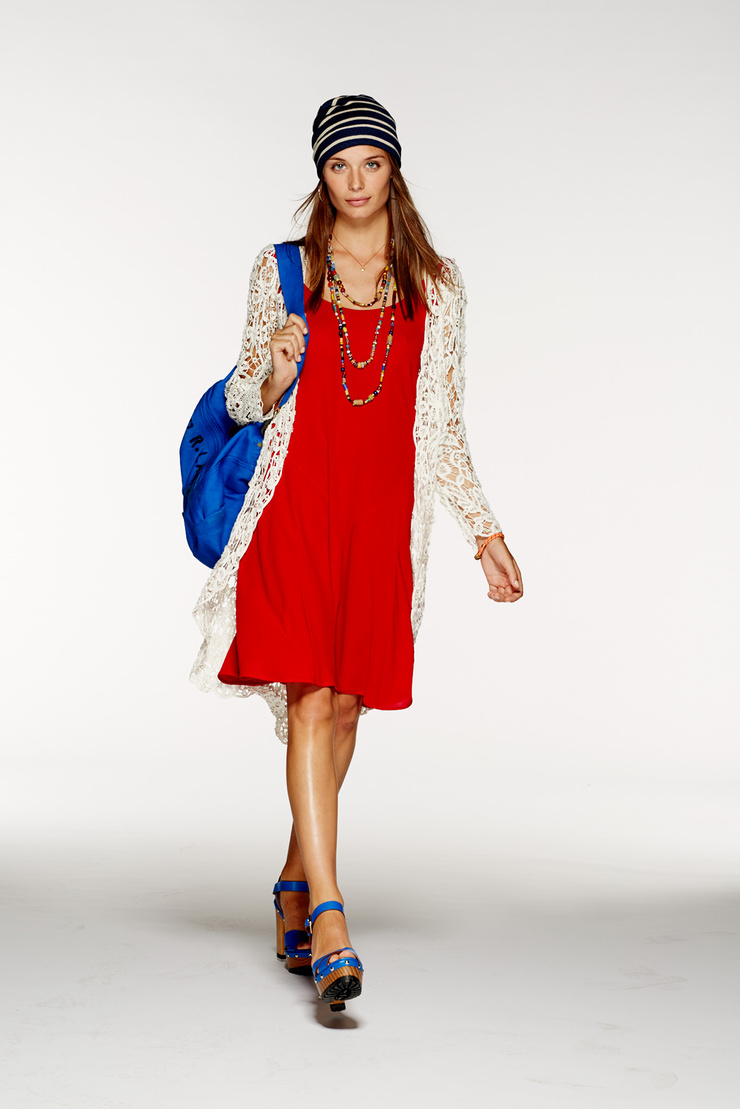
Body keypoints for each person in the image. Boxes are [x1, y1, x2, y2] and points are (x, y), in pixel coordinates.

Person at [189, 95, 523, 1011]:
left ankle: (296, 879)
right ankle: (331, 915)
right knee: (309, 691)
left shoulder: (437, 286)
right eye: (339, 166)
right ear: (321, 175)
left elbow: (441, 425)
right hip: (294, 509)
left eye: (371, 163)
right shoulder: (283, 270)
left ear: (394, 170)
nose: (356, 181)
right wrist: (273, 370)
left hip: (379, 520)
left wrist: (485, 531)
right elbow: (243, 402)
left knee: (344, 706)